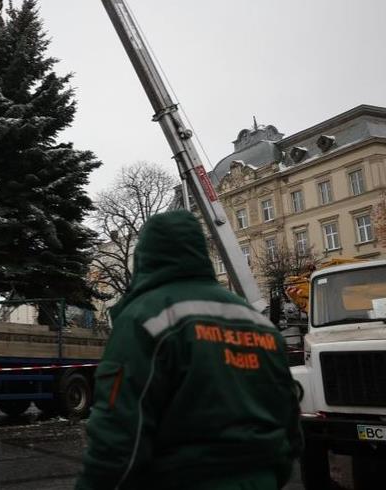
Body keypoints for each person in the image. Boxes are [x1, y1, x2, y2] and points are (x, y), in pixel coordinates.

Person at [76, 210, 302, 490]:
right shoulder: (259, 324)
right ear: (201, 252)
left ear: (146, 257)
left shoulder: (146, 319)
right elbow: (289, 418)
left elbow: (119, 433)